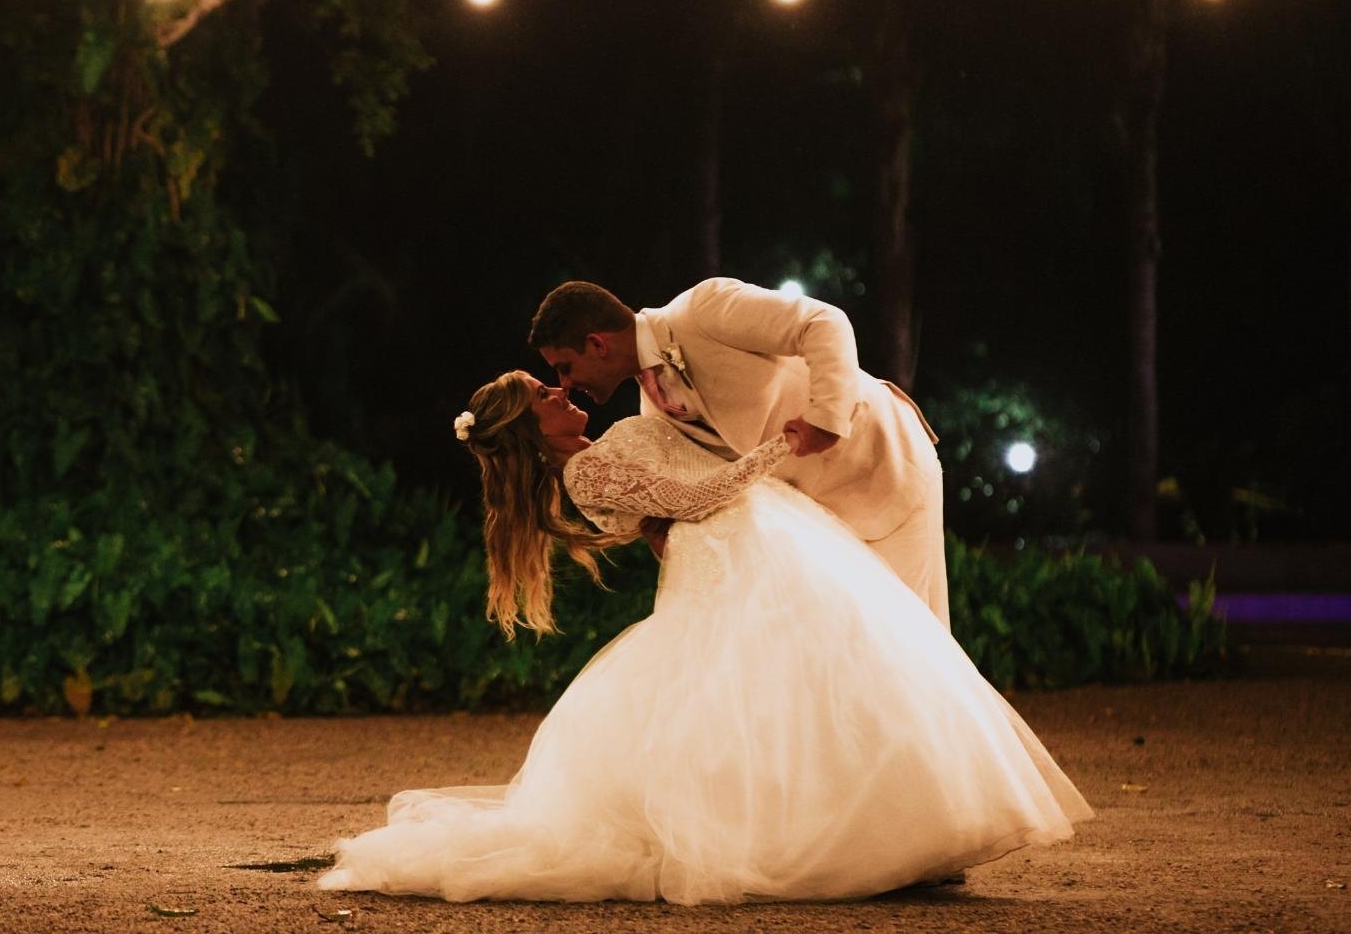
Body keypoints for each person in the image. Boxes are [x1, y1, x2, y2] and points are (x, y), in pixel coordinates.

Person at [317, 371, 1092, 904]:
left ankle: (887, 826)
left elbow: (670, 505)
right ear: (533, 427)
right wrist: (784, 446)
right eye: (544, 394)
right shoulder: (586, 476)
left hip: (760, 544)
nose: (561, 392)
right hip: (740, 546)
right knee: (809, 682)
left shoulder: (608, 448)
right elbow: (699, 495)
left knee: (824, 683)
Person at [530, 278, 950, 624]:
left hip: (885, 468)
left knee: (909, 642)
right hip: (819, 523)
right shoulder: (651, 408)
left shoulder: (702, 309)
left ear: (598, 344)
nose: (565, 384)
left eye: (565, 366)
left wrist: (826, 417)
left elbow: (824, 322)